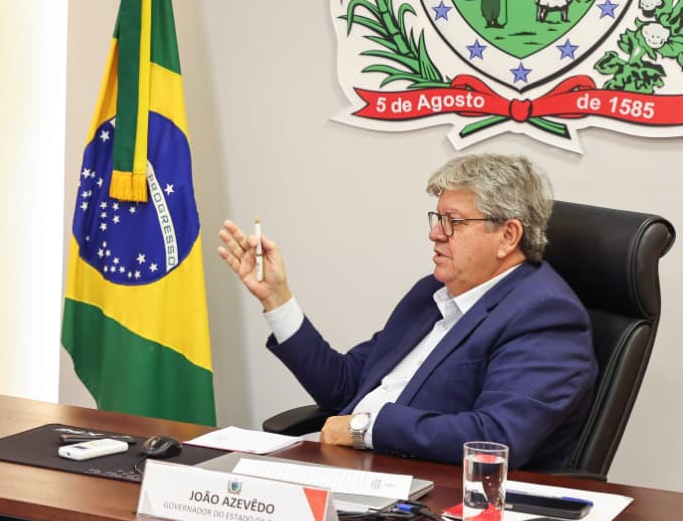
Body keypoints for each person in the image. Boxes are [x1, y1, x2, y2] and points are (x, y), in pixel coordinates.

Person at [217, 154, 595, 469]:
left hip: (435, 499)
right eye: (437, 219)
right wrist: (277, 299)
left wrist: (364, 428)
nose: (435, 233)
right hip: (356, 472)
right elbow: (346, 385)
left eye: (453, 222)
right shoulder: (431, 292)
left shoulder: (546, 315)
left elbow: (496, 437)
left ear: (507, 236)